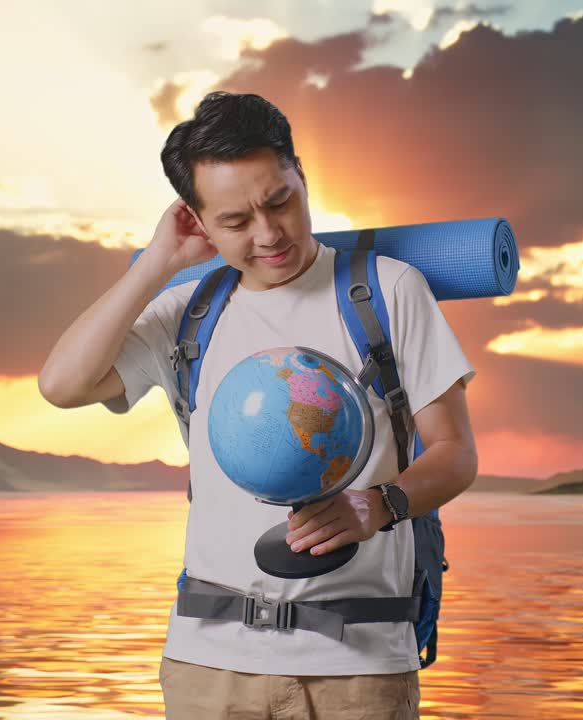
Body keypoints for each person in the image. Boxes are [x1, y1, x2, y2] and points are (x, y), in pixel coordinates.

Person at [38, 91, 477, 719]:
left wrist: (379, 504)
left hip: (356, 667)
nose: (269, 235)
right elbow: (63, 385)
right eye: (235, 222)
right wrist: (158, 263)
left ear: (301, 175)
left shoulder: (387, 291)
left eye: (280, 202)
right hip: (207, 665)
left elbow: (456, 454)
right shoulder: (191, 312)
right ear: (197, 219)